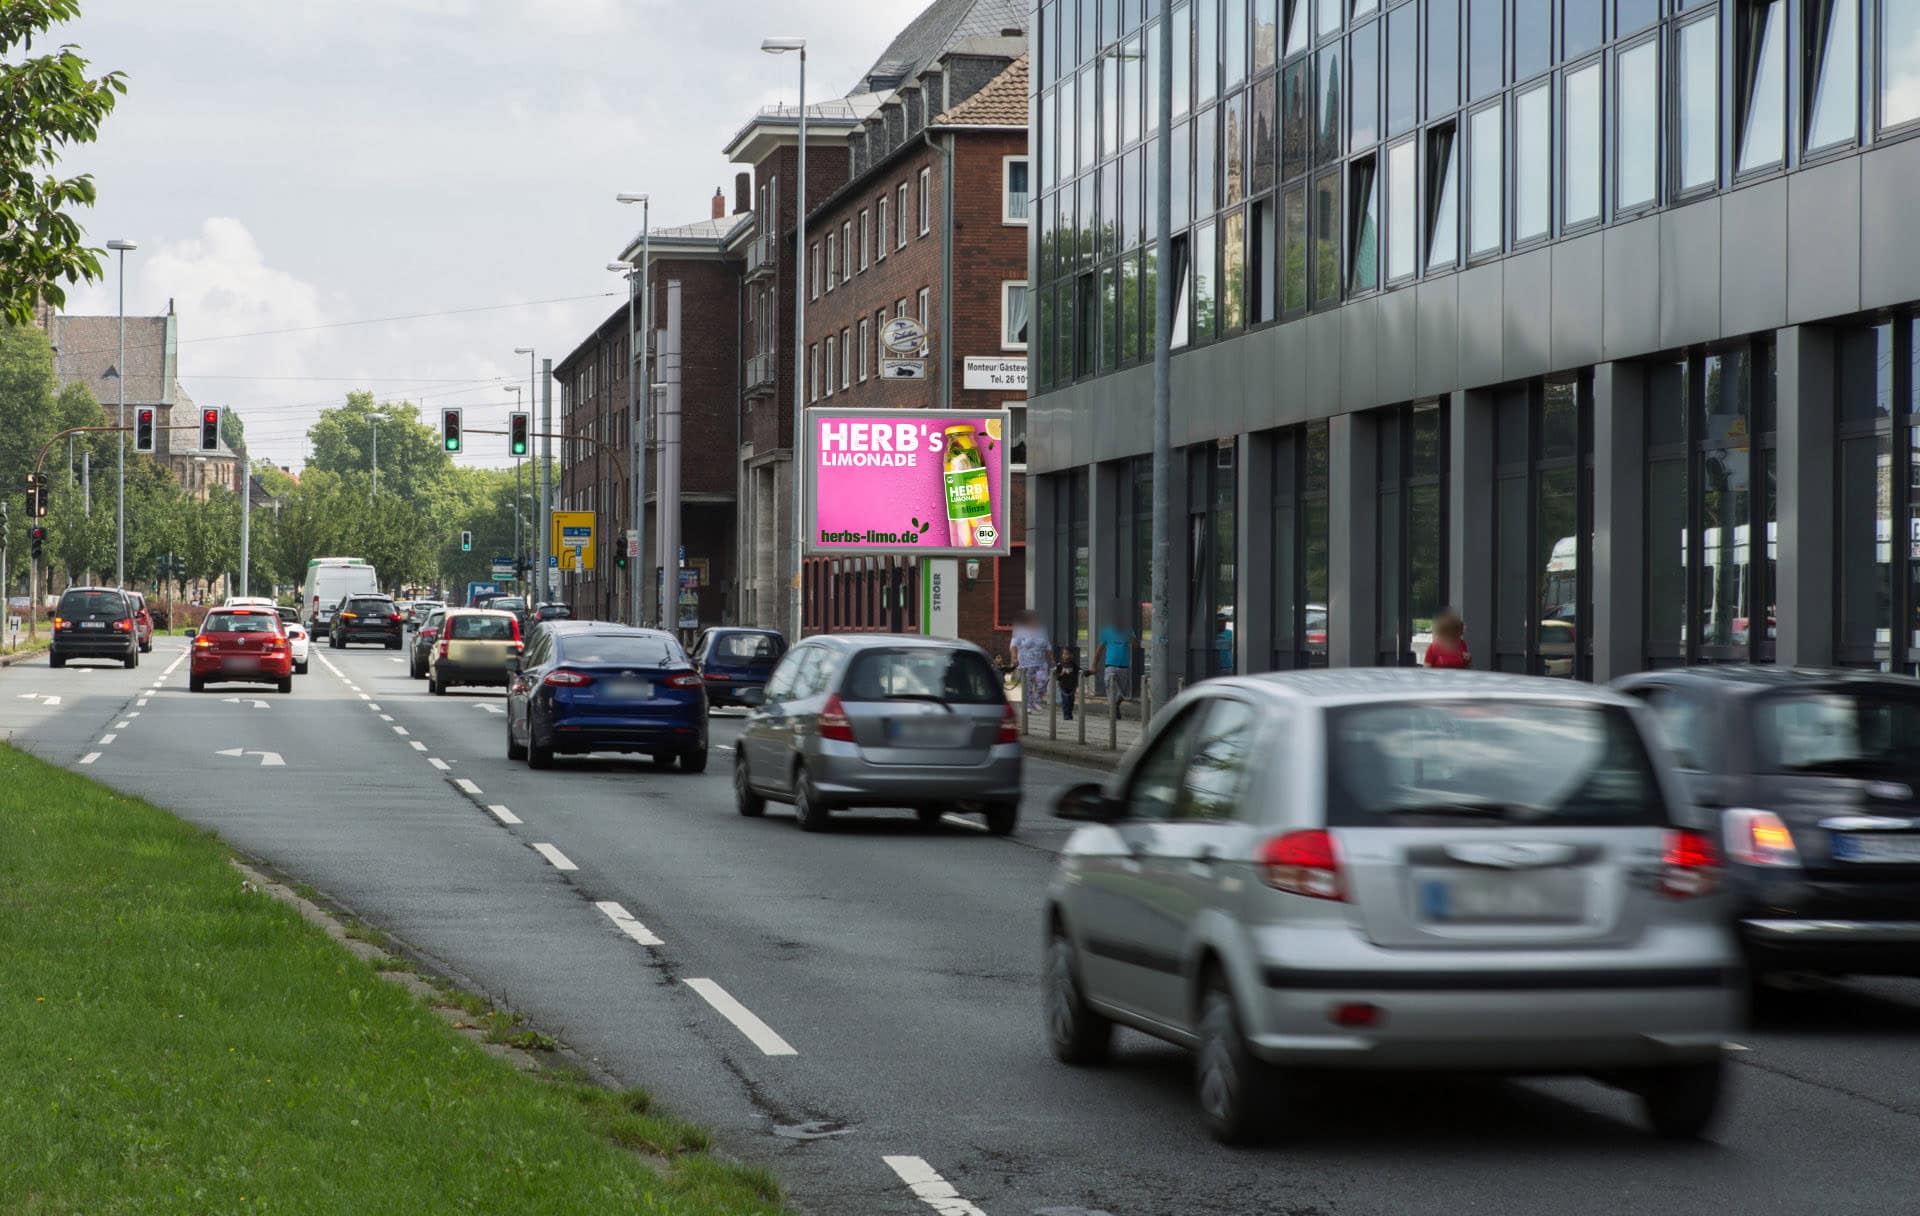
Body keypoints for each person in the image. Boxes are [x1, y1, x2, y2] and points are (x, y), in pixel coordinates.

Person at [1008, 610, 1052, 715]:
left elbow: (1047, 645)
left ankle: (1036, 700)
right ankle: (1027, 705)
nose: (1034, 621)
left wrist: (1052, 659)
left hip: (1041, 661)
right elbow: (1013, 645)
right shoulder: (1019, 630)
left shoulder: (1042, 630)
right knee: (1027, 685)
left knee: (1043, 680)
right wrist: (1014, 658)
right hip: (1025, 662)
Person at [1097, 619, 1133, 701]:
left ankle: (1115, 708)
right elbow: (1099, 649)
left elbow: (1135, 645)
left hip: (1124, 666)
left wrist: (1128, 635)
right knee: (1110, 688)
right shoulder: (1107, 632)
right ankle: (1115, 711)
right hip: (1110, 665)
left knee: (1122, 693)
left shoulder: (1128, 631)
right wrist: (1094, 666)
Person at [1054, 647, 1080, 721]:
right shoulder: (1060, 665)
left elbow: (1079, 671)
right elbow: (1056, 676)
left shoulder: (1073, 665)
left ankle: (1070, 714)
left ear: (1071, 655)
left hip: (1072, 686)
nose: (1065, 656)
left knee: (1071, 701)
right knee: (1065, 701)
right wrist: (1061, 674)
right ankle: (1066, 715)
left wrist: (1089, 672)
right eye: (1064, 654)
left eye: (1067, 654)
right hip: (1063, 686)